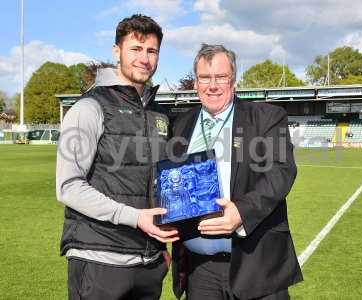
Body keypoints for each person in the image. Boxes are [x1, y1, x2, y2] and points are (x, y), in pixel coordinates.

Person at [56, 14, 178, 300]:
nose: (144, 58)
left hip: (147, 264)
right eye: (136, 49)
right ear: (117, 51)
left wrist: (158, 250)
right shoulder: (90, 108)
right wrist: (136, 218)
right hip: (100, 260)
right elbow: (68, 187)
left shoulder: (157, 113)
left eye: (152, 51)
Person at [171, 44, 303, 300]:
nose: (213, 85)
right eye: (205, 78)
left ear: (233, 80)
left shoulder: (266, 117)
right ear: (196, 83)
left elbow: (282, 172)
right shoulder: (181, 123)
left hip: (257, 264)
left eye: (221, 77)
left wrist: (241, 212)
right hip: (199, 270)